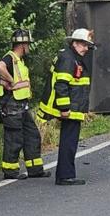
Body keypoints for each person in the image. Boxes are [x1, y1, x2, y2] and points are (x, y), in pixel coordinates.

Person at [39, 28, 94, 186]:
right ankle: (65, 176)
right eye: (84, 45)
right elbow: (61, 85)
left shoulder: (72, 57)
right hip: (69, 110)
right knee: (68, 143)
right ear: (75, 43)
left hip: (74, 108)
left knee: (69, 142)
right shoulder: (69, 59)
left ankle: (66, 174)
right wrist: (64, 109)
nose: (86, 49)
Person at [0, 30, 45, 180]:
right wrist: (11, 80)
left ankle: (35, 169)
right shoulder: (10, 58)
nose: (28, 47)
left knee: (32, 135)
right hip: (11, 105)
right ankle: (10, 171)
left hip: (21, 105)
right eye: (27, 44)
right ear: (22, 45)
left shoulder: (19, 60)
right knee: (14, 138)